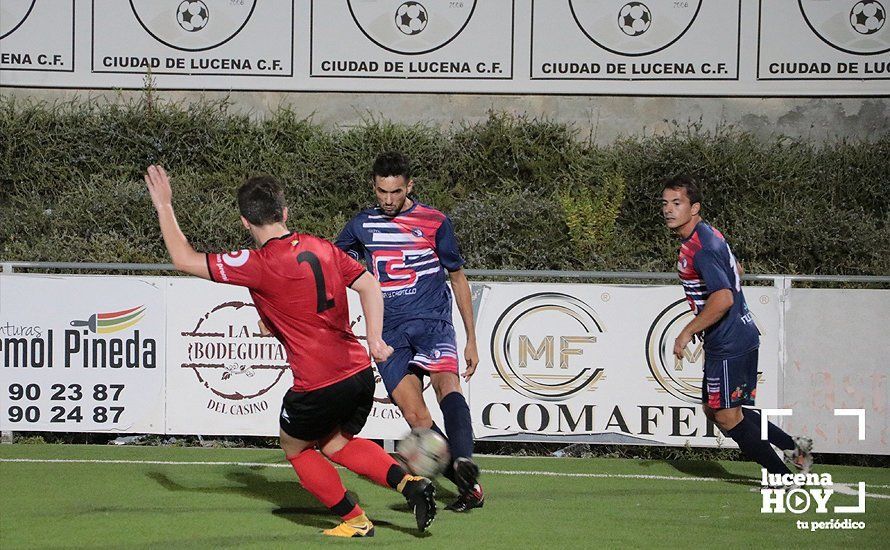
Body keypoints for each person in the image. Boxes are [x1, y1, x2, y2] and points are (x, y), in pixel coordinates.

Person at [144, 165, 436, 537]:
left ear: (244, 222)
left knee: (296, 447)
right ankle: (410, 485)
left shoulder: (259, 263)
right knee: (334, 443)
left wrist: (165, 205)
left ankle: (356, 520)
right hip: (359, 373)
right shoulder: (323, 247)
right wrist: (375, 339)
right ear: (285, 213)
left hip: (318, 381)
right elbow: (369, 285)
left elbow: (184, 259)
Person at [336, 152, 484, 512]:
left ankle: (464, 460)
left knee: (447, 384)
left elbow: (458, 278)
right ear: (374, 186)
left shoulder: (435, 221)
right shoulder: (360, 225)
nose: (388, 200)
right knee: (417, 419)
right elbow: (331, 264)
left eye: (396, 192)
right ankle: (469, 487)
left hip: (433, 322)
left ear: (410, 186)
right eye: (381, 192)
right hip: (389, 332)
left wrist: (472, 339)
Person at [661, 175, 813, 475]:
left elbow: (724, 299)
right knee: (717, 410)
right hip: (730, 337)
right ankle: (796, 450)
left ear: (694, 208)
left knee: (727, 416)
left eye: (677, 203)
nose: (668, 209)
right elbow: (737, 269)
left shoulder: (701, 248)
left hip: (731, 340)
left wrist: (687, 330)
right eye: (665, 203)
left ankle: (783, 477)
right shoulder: (707, 235)